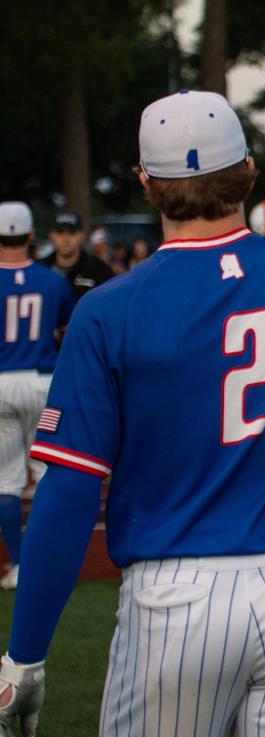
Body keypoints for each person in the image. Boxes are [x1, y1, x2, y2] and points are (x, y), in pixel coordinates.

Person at [0, 90, 265, 737]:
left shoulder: (110, 308)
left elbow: (68, 491)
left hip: (176, 600)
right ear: (248, 173)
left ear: (146, 183)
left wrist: (25, 655)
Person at [0, 202, 74, 590]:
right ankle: (50, 561)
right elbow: (65, 333)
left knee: (6, 481)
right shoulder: (51, 281)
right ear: (31, 236)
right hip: (43, 382)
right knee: (47, 476)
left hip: (1, 385)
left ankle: (18, 564)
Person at [39, 211, 115, 301]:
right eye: (60, 232)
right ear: (51, 236)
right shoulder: (41, 269)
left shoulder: (99, 270)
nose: (65, 239)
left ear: (81, 236)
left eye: (72, 232)